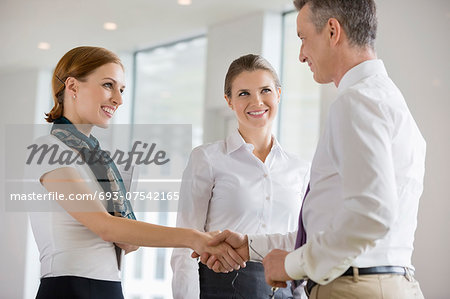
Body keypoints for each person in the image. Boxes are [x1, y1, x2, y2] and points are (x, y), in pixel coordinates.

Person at [200, 1, 426, 298]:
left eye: (303, 38)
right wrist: (249, 245)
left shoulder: (356, 101)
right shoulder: (386, 98)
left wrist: (292, 265)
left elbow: (372, 215)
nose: (301, 54)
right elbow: (334, 228)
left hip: (354, 287)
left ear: (332, 31)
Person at [27, 46, 245, 299]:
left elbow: (128, 243)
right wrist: (195, 238)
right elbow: (105, 227)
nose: (118, 99)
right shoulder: (47, 148)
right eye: (108, 85)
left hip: (108, 285)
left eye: (121, 90)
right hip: (69, 287)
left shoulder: (100, 161)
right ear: (73, 87)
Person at [170, 54, 310, 299]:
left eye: (265, 90)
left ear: (278, 94)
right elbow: (186, 242)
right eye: (244, 93)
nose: (257, 101)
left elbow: (302, 242)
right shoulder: (207, 158)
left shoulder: (299, 168)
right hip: (224, 288)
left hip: (285, 288)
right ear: (229, 101)